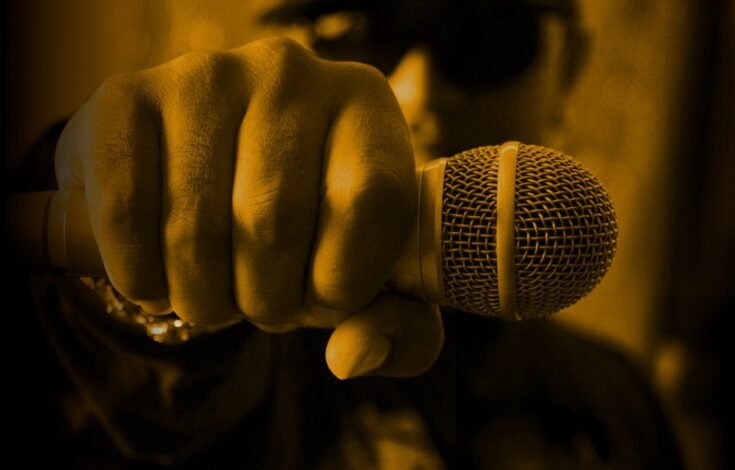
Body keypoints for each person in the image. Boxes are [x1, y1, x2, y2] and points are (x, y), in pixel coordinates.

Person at [9, 1, 683, 468]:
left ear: (570, 66)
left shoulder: (619, 405)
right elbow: (109, 393)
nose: (417, 90)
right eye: (359, 29)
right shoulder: (234, 358)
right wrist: (133, 258)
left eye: (485, 37)